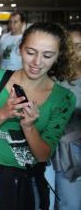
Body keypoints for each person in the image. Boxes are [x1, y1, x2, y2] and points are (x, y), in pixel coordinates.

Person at [0, 22, 76, 210]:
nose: (37, 62)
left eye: (47, 55)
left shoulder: (64, 98)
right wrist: (4, 113)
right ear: (20, 49)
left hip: (30, 179)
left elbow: (43, 155)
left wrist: (29, 127)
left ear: (58, 56)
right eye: (30, 52)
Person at [46, 24, 81, 210]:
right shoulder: (54, 79)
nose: (75, 52)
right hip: (62, 154)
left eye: (80, 46)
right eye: (71, 47)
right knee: (69, 204)